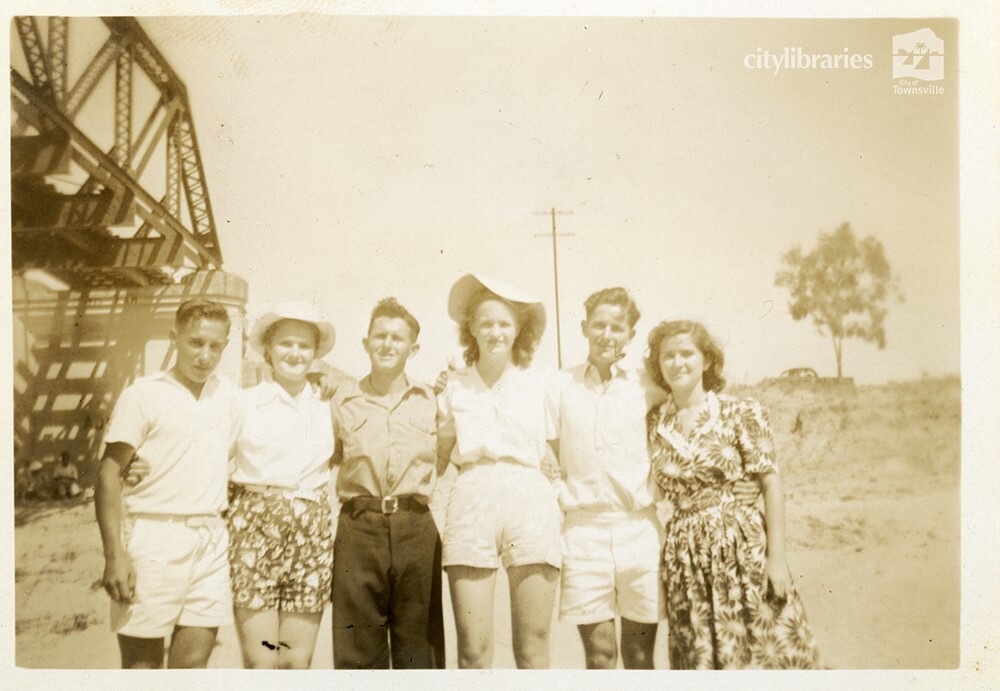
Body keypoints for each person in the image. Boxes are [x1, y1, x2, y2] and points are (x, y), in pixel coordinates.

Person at [644, 320, 821, 669]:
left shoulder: (741, 411)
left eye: (686, 354)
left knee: (764, 650)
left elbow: (770, 483)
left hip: (742, 548)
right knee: (701, 656)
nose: (677, 363)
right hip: (685, 558)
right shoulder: (653, 423)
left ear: (707, 361)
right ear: (658, 364)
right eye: (668, 356)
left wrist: (777, 559)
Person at [95, 299, 238, 669]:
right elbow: (109, 473)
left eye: (215, 346)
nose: (205, 355)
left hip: (210, 539)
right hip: (154, 535)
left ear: (225, 345)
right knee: (142, 667)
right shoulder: (143, 393)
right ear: (174, 338)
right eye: (195, 342)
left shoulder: (230, 397)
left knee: (192, 665)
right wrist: (114, 555)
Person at [436, 273, 562, 669]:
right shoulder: (453, 386)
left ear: (519, 328)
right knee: (472, 649)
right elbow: (436, 457)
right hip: (472, 496)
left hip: (529, 496)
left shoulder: (543, 382)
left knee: (532, 646)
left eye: (504, 323)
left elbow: (568, 452)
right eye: (486, 322)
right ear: (470, 327)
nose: (495, 331)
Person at [545, 287, 667, 669]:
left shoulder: (648, 385)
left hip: (639, 531)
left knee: (638, 655)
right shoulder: (560, 385)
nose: (606, 335)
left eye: (617, 327)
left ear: (631, 335)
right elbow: (548, 449)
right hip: (583, 534)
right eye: (598, 325)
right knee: (599, 656)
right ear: (584, 328)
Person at [330, 298, 446, 669]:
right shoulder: (340, 400)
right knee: (358, 650)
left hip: (416, 527)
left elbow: (445, 454)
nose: (387, 344)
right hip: (359, 527)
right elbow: (328, 456)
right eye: (379, 336)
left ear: (413, 349)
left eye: (397, 338)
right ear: (365, 343)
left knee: (419, 649)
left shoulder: (432, 401)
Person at [227, 302, 337, 669]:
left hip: (311, 535)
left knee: (296, 660)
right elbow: (210, 456)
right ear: (268, 349)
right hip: (254, 532)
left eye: (304, 346)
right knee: (261, 661)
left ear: (316, 353)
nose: (295, 353)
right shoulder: (243, 403)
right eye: (286, 343)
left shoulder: (328, 405)